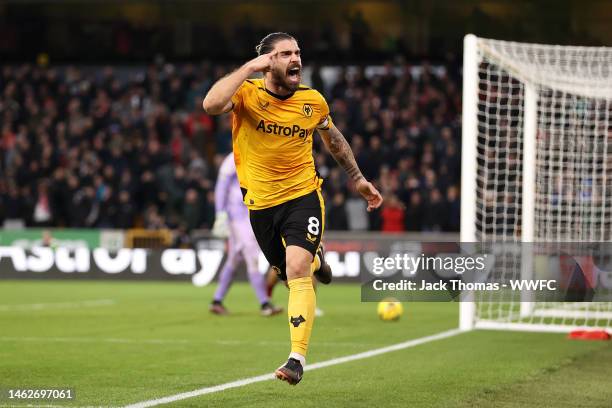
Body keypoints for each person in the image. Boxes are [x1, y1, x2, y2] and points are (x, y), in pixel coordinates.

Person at [203, 32, 382, 385]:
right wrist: (250, 68)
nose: (295, 58)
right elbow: (211, 105)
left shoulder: (313, 101)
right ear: (268, 61)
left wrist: (358, 177)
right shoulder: (246, 94)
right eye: (284, 53)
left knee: (296, 269)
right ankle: (319, 258)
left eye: (297, 52)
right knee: (288, 272)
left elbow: (333, 139)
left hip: (303, 195)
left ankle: (296, 359)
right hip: (260, 205)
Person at [210, 153, 283, 317]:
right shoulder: (234, 157)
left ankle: (217, 301)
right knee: (252, 258)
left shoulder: (254, 153)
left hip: (248, 213)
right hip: (239, 216)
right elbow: (221, 187)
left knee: (234, 259)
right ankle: (265, 304)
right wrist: (220, 213)